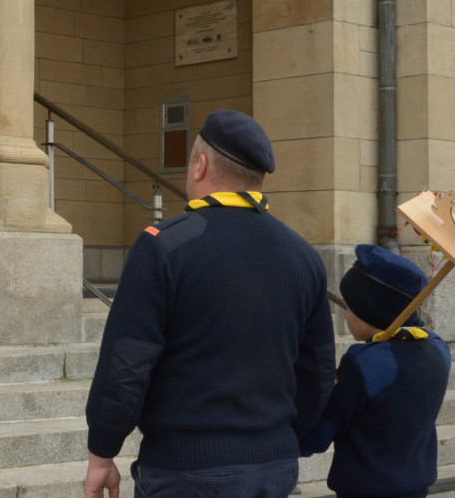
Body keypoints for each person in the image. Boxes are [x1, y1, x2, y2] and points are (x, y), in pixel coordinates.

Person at [84, 109, 336, 498]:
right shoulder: (303, 255)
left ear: (200, 165)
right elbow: (318, 371)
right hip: (275, 465)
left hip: (185, 469)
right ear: (259, 178)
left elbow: (126, 363)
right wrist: (278, 440)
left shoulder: (163, 246)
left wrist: (103, 450)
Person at [300, 244, 451, 498]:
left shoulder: (364, 363)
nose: (345, 315)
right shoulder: (438, 350)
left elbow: (317, 435)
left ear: (371, 309)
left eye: (350, 307)